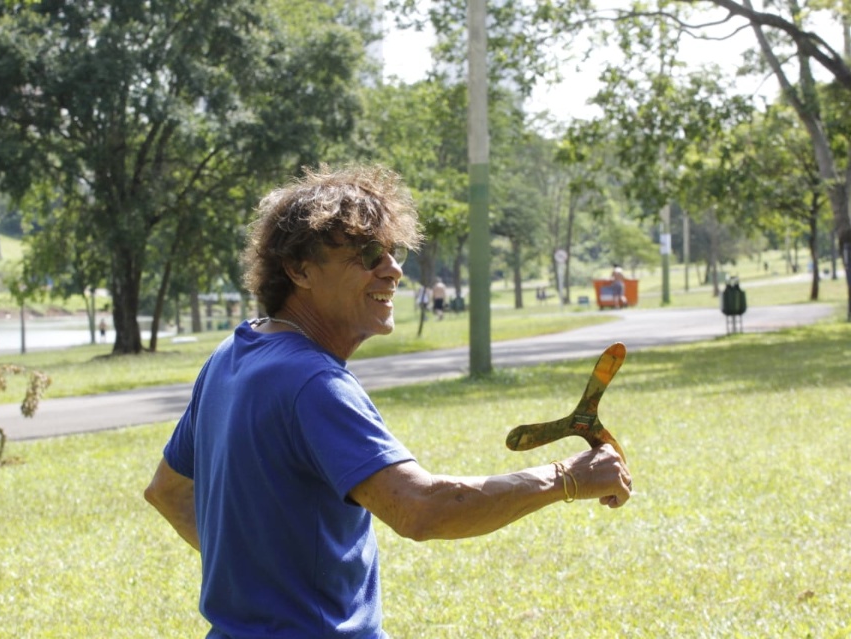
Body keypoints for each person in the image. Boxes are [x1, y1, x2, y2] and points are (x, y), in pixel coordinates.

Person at [144, 165, 632, 639]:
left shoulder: (233, 354)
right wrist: (566, 478)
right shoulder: (311, 380)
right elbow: (420, 508)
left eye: (393, 252)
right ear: (299, 269)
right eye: (367, 254)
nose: (394, 270)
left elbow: (166, 491)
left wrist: (260, 592)